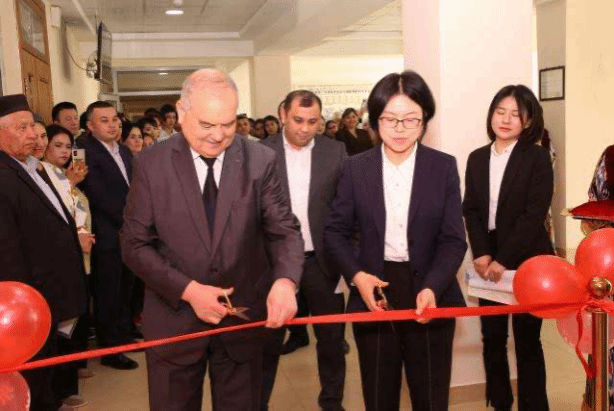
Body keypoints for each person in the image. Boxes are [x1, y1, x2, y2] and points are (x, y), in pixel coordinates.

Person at [121, 68, 304, 411]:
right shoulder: (151, 164)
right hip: (174, 322)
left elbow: (284, 229)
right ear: (182, 112)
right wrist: (189, 291)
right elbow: (134, 244)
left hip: (242, 320)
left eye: (228, 124)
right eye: (206, 124)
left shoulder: (260, 160)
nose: (218, 136)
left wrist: (285, 281)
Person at [324, 71, 467, 411]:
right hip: (374, 289)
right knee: (379, 396)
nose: (400, 129)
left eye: (411, 119)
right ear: (375, 120)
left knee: (430, 397)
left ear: (425, 119)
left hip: (430, 289)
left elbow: (453, 239)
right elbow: (335, 232)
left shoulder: (443, 167)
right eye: (390, 119)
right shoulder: (355, 168)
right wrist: (357, 277)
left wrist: (433, 286)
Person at [463, 85, 552, 411]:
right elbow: (471, 210)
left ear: (528, 121)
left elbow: (533, 214)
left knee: (528, 340)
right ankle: (500, 402)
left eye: (515, 114)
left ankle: (534, 406)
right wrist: (482, 254)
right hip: (487, 259)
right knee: (492, 338)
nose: (506, 119)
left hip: (527, 257)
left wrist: (503, 259)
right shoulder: (477, 158)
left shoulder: (538, 157)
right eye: (500, 111)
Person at [261, 90, 347, 411]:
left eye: (313, 122)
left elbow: (346, 207)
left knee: (332, 342)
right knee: (268, 342)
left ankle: (332, 403)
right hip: (275, 266)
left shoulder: (335, 151)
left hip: (322, 263)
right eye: (298, 120)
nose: (305, 128)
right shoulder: (260, 152)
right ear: (283, 114)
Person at [0, 94, 87, 410]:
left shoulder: (29, 168)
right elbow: (7, 249)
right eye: (21, 128)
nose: (32, 135)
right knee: (33, 379)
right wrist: (23, 303)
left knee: (47, 374)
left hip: (50, 293)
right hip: (29, 299)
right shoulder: (3, 173)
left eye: (32, 127)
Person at [77, 101, 138, 370]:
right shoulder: (82, 152)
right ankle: (110, 350)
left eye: (115, 119)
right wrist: (128, 219)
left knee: (126, 288)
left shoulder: (124, 150)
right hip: (105, 232)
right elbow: (94, 193)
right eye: (104, 120)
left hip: (129, 231)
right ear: (90, 126)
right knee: (107, 293)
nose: (112, 125)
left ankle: (125, 336)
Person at [42, 124, 95, 407]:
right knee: (63, 326)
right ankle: (62, 389)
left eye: (68, 146)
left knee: (75, 320)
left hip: (80, 255)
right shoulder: (43, 174)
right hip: (62, 260)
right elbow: (56, 216)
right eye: (57, 145)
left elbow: (78, 211)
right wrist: (71, 184)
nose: (64, 152)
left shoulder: (63, 174)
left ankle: (71, 375)